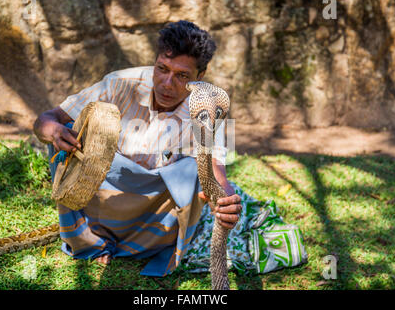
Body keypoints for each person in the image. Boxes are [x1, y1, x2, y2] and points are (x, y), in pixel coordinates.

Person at [33, 20, 242, 275]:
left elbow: (215, 170)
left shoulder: (206, 107)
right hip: (106, 188)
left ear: (200, 77)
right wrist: (54, 132)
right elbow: (46, 119)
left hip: (153, 203)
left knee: (192, 170)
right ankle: (91, 241)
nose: (167, 83)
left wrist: (226, 201)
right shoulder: (120, 83)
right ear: (154, 62)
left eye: (182, 76)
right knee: (64, 138)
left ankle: (151, 246)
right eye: (162, 69)